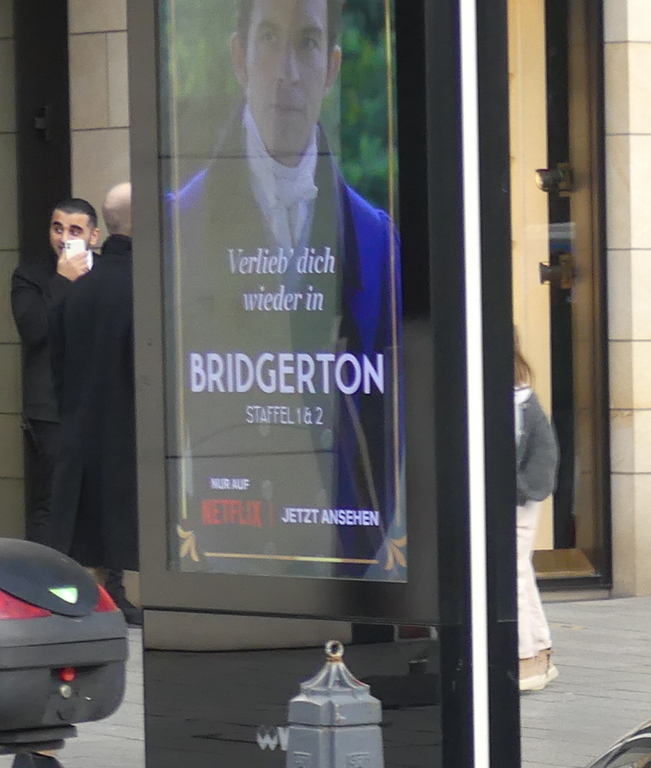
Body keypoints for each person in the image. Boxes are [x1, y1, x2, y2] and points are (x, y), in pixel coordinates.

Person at [165, 0, 401, 580]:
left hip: (337, 566)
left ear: (332, 68)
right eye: (268, 38)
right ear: (239, 57)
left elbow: (388, 419)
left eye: (308, 42)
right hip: (223, 557)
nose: (287, 72)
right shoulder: (178, 228)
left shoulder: (375, 239)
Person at [52, 184, 139, 622]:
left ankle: (97, 597)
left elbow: (59, 367)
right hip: (132, 432)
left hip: (82, 426)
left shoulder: (77, 289)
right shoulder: (150, 287)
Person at [11, 199, 99, 549]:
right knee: (53, 499)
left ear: (93, 235)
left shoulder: (107, 272)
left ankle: (108, 587)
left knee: (100, 502)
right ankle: (43, 589)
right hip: (50, 408)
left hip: (98, 402)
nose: (64, 238)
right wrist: (62, 280)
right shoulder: (31, 274)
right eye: (57, 227)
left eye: (75, 230)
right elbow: (33, 330)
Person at [513, 346, 558, 692]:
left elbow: (544, 451)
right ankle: (540, 651)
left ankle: (525, 658)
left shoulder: (522, 400)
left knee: (509, 571)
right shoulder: (519, 397)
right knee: (519, 569)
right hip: (514, 495)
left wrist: (521, 487)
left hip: (517, 498)